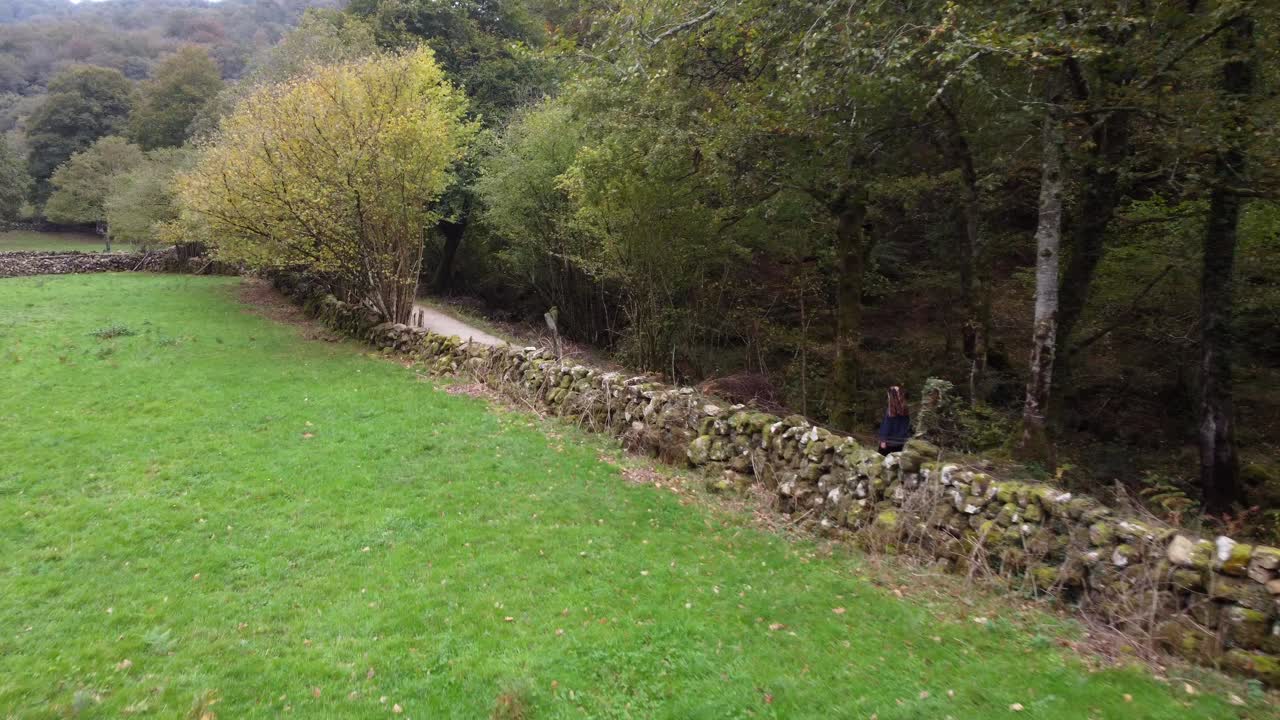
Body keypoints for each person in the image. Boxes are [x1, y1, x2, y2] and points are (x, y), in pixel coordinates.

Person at [877, 385, 911, 455]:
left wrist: (883, 440)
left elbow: (886, 426)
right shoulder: (905, 409)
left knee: (882, 461)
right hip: (900, 442)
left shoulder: (891, 411)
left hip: (889, 443)